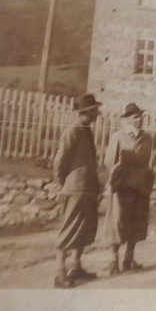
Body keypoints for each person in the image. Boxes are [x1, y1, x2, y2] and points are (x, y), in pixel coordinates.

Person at [52, 93, 102, 288]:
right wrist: (63, 183)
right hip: (74, 188)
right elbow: (60, 160)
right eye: (95, 110)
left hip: (87, 188)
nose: (98, 112)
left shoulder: (86, 129)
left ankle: (76, 266)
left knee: (84, 227)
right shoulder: (73, 130)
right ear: (87, 112)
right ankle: (59, 273)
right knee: (69, 229)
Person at [102, 103, 155, 274]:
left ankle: (128, 259)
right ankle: (113, 260)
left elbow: (148, 163)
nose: (139, 120)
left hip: (140, 187)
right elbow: (110, 163)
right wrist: (111, 185)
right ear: (126, 120)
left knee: (137, 222)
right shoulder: (118, 137)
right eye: (135, 117)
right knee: (117, 222)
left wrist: (147, 181)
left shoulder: (147, 138)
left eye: (140, 116)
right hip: (122, 187)